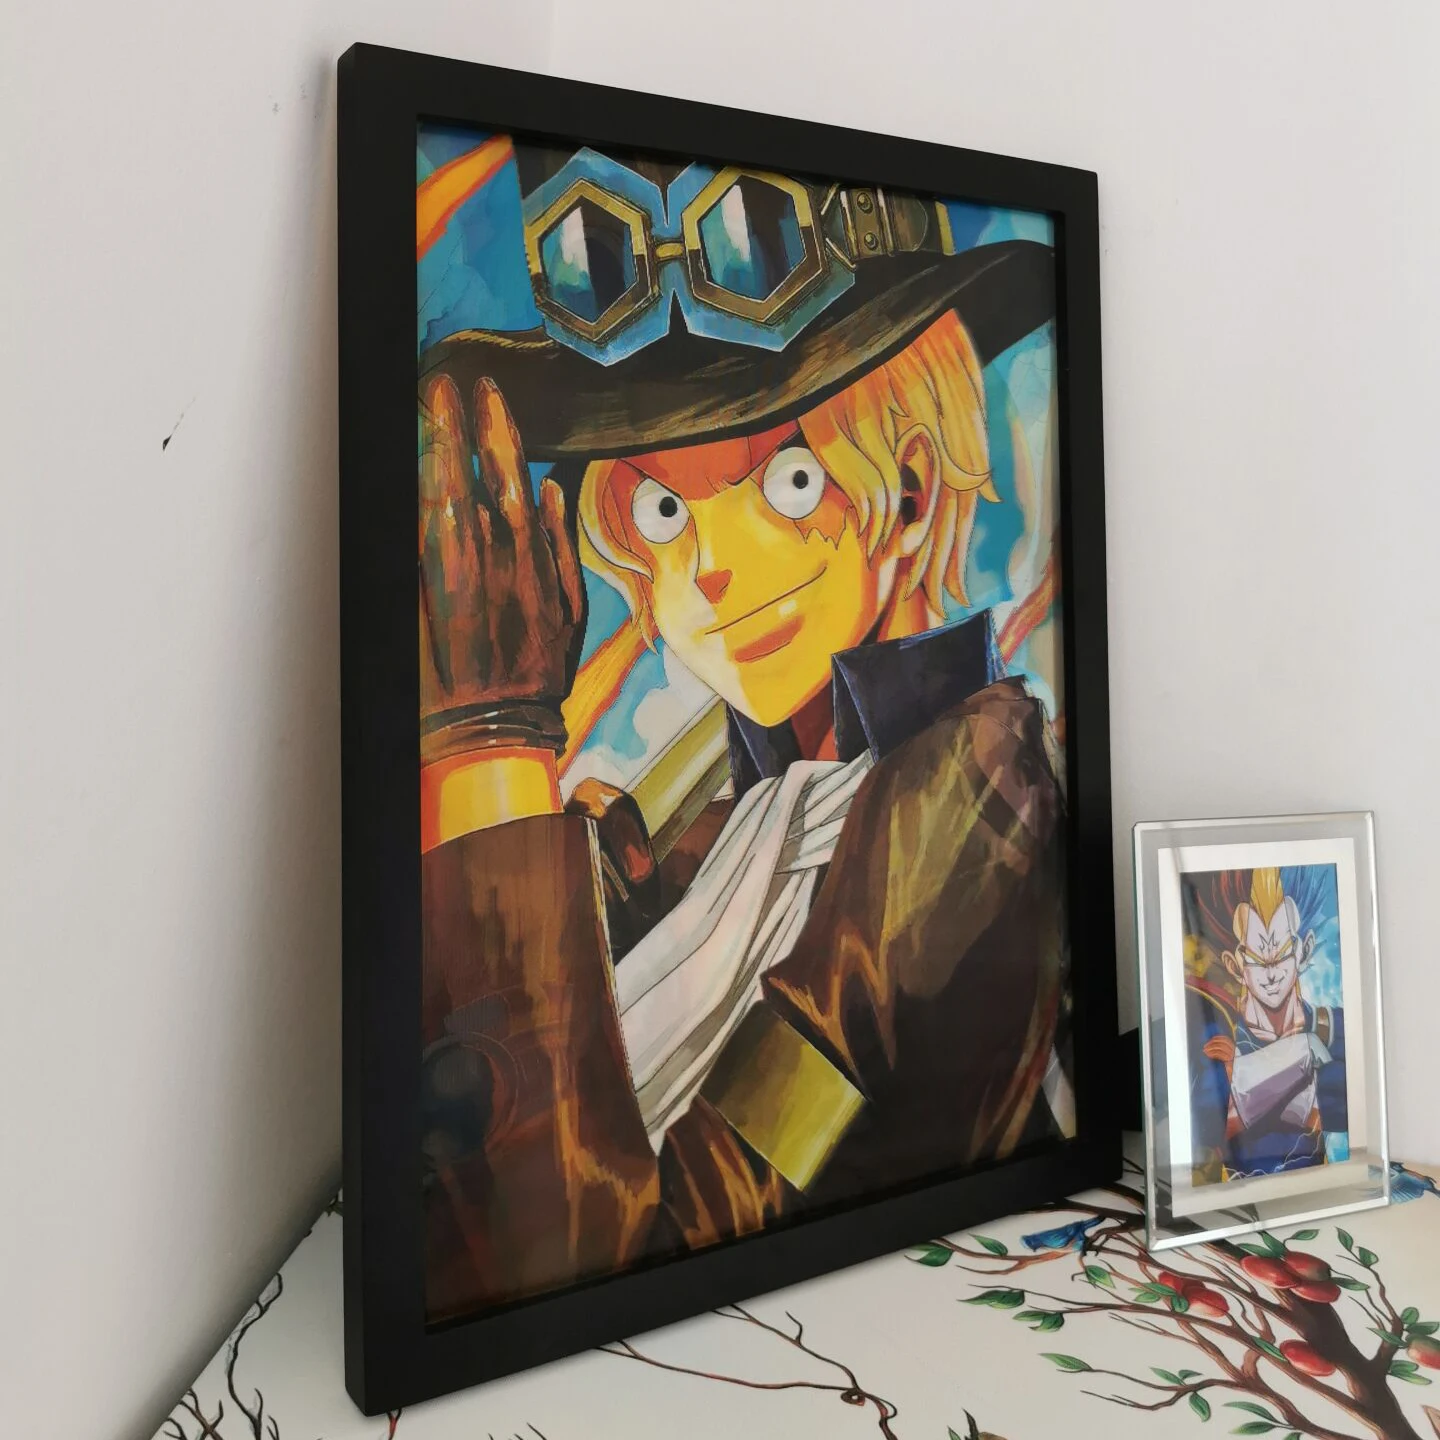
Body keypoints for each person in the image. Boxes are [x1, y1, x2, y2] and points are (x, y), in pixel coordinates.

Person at [415, 145, 1070, 1322]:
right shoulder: (736, 816)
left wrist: (491, 756)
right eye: (665, 511)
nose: (710, 568)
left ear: (910, 483)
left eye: (788, 483)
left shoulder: (968, 801)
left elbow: (602, 1255)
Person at [1190, 868, 1346, 1178]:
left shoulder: (1331, 1027)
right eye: (1258, 961)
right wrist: (1302, 1054)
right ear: (1236, 965)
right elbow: (1209, 1123)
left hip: (1320, 1190)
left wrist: (1244, 1080)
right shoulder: (1219, 1032)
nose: (1272, 974)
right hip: (1241, 1197)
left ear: (1303, 951)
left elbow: (1349, 1102)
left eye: (1281, 956)